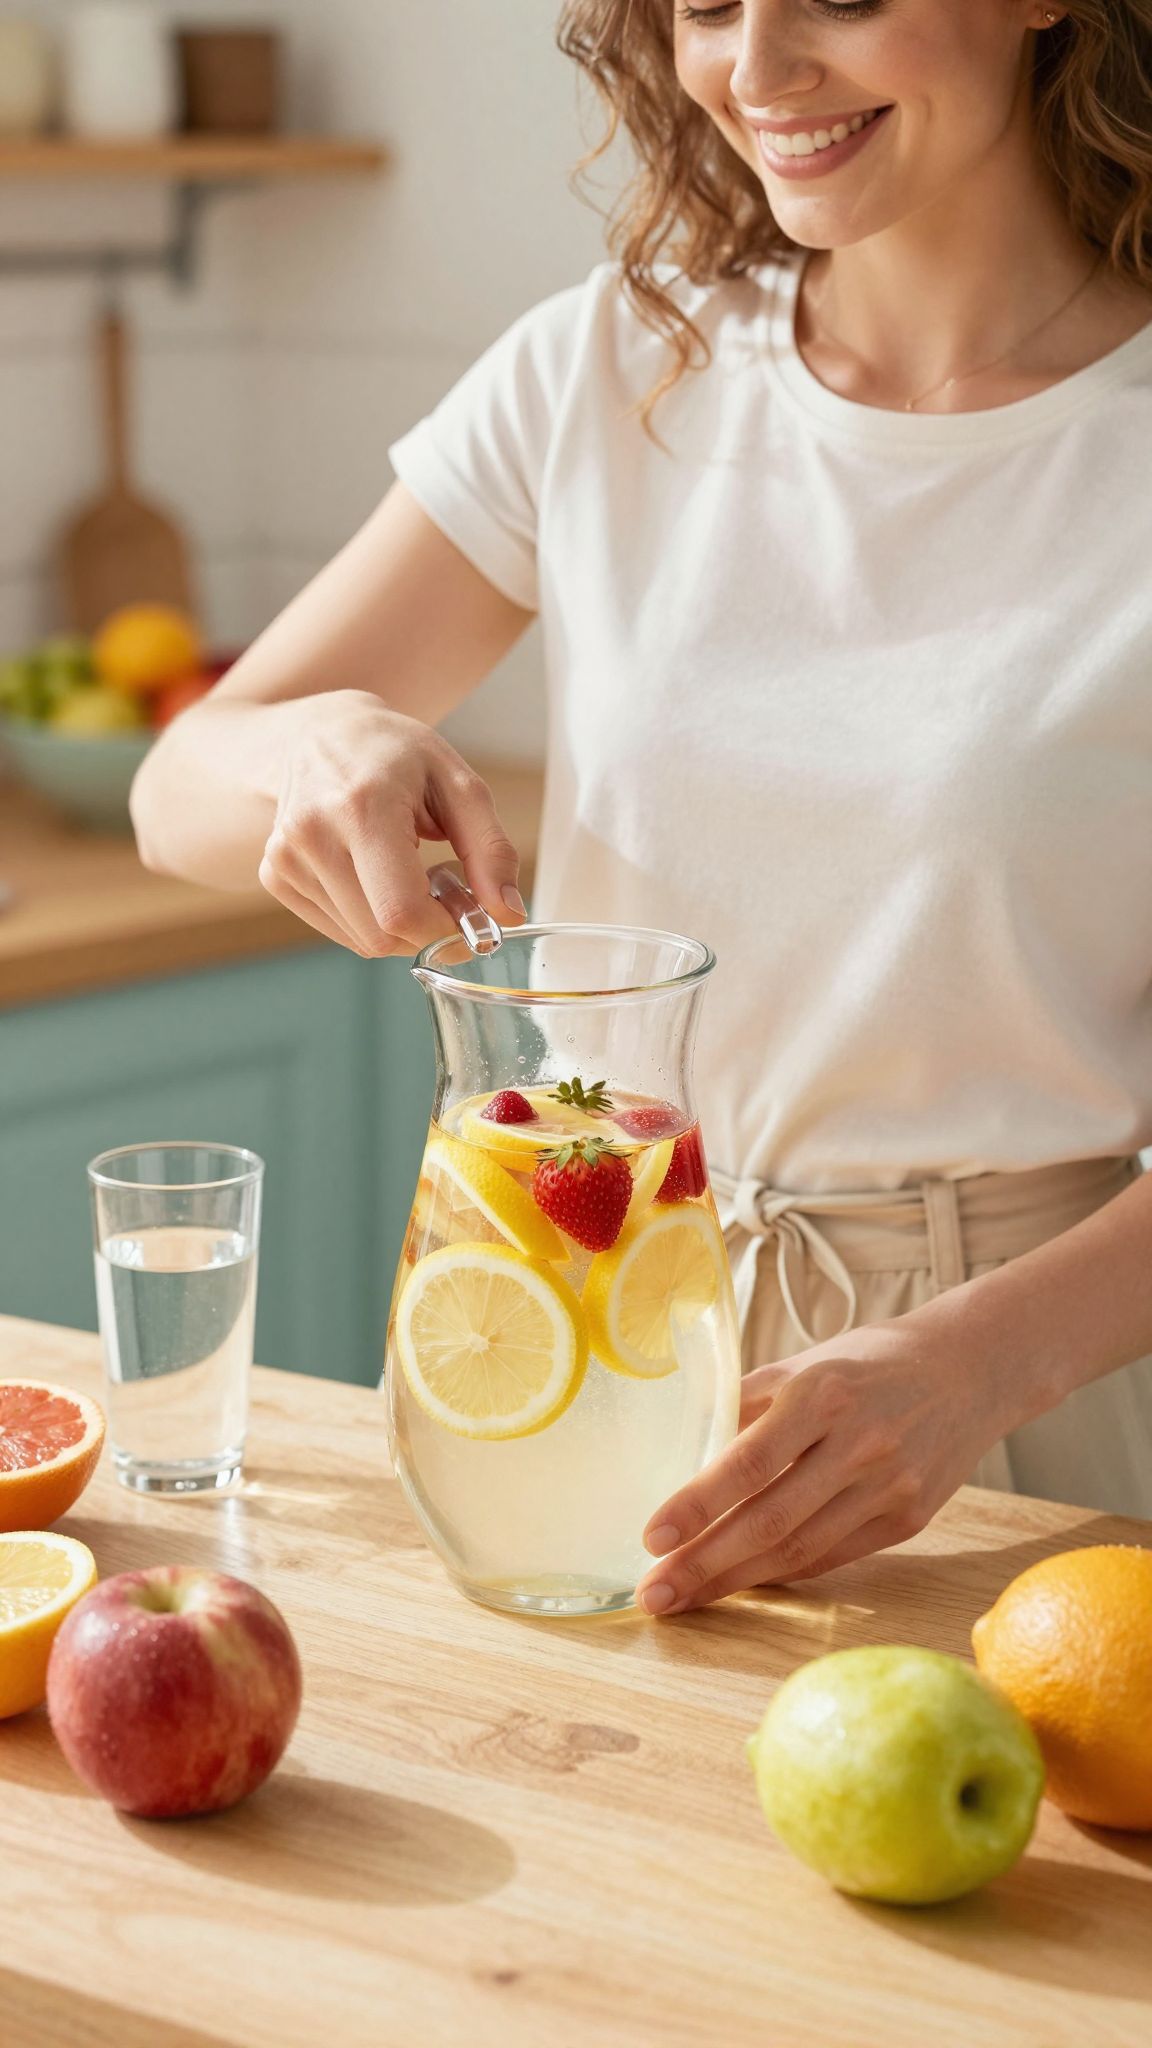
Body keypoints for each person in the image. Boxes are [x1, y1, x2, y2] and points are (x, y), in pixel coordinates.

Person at [131, 0, 1152, 1616]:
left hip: (1022, 1419)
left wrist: (975, 1366)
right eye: (702, 7)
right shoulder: (610, 366)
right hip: (579, 1349)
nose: (757, 72)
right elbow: (177, 786)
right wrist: (307, 745)